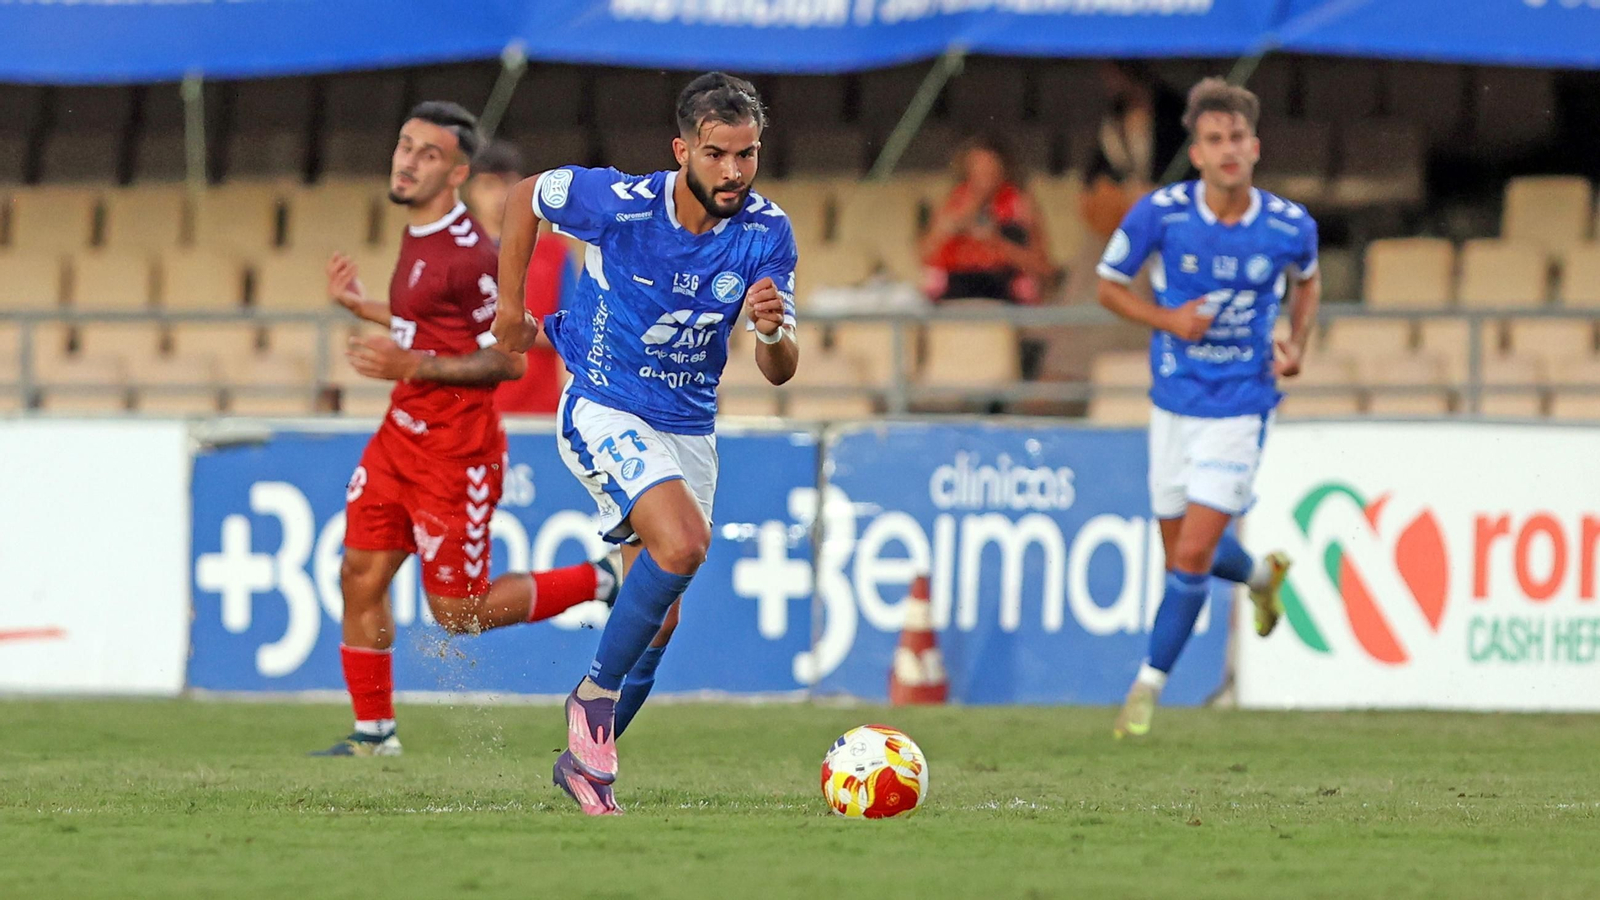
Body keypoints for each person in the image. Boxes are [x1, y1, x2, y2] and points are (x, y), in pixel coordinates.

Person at [491, 72, 798, 814]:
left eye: (748, 154)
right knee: (684, 545)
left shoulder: (766, 232)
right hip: (604, 404)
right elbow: (524, 195)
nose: (734, 172)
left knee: (663, 612)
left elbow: (781, 370)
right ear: (683, 148)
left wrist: (768, 328)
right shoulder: (620, 203)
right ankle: (593, 699)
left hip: (690, 426)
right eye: (719, 154)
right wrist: (509, 311)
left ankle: (585, 764)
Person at [315, 101, 619, 757]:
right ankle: (374, 735)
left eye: (427, 154)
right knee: (359, 574)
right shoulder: (420, 236)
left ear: (457, 173)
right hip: (399, 437)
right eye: (404, 145)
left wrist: (412, 364)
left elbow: (507, 359)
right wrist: (364, 307)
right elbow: (423, 323)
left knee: (459, 614)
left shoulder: (475, 255)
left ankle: (602, 580)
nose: (407, 161)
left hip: (456, 453)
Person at [1095, 78, 1319, 739]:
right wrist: (1166, 318)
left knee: (1190, 559)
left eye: (1237, 139)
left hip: (1242, 403)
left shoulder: (1287, 225)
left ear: (1255, 147)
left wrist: (1297, 343)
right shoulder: (1159, 214)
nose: (1227, 151)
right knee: (1182, 555)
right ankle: (1260, 573)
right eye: (1214, 140)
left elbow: (1307, 283)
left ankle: (1145, 690)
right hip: (1173, 403)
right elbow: (1107, 286)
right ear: (1196, 153)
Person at [465, 140, 575, 415]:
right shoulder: (454, 254)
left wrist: (519, 329)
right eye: (489, 185)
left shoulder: (556, 254)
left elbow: (576, 329)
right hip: (472, 410)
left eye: (509, 184)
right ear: (470, 191)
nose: (500, 196)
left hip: (539, 411)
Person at [919, 135, 1057, 304]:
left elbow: (1044, 268)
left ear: (1003, 169)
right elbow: (924, 257)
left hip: (1003, 291)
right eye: (977, 168)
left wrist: (996, 241)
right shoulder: (952, 204)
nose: (983, 176)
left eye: (990, 168)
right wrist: (953, 225)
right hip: (956, 294)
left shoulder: (1020, 205)